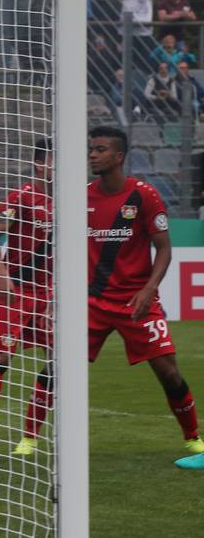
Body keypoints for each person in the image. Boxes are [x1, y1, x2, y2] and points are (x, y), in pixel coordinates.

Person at [87, 126, 204, 459]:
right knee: (58, 366)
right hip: (91, 302)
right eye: (91, 149)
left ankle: (193, 438)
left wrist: (149, 289)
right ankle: (30, 441)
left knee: (168, 371)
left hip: (137, 302)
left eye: (100, 149)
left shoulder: (145, 195)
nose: (92, 154)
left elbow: (164, 248)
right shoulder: (81, 196)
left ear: (119, 156)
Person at [0, 140, 54, 454]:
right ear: (39, 164)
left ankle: (29, 436)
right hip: (15, 290)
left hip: (46, 291)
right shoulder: (21, 196)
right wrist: (3, 275)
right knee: (3, 354)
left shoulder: (71, 200)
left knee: (56, 357)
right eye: (52, 161)